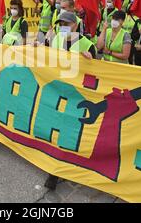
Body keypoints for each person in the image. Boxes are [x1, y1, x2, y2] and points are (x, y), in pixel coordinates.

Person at [44, 11, 97, 190]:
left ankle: (55, 172)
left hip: (76, 96)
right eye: (61, 24)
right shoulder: (56, 38)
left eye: (67, 23)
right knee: (55, 130)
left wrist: (90, 62)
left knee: (67, 133)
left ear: (75, 25)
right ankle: (55, 167)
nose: (63, 27)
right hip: (56, 90)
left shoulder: (88, 45)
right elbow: (45, 56)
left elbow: (97, 73)